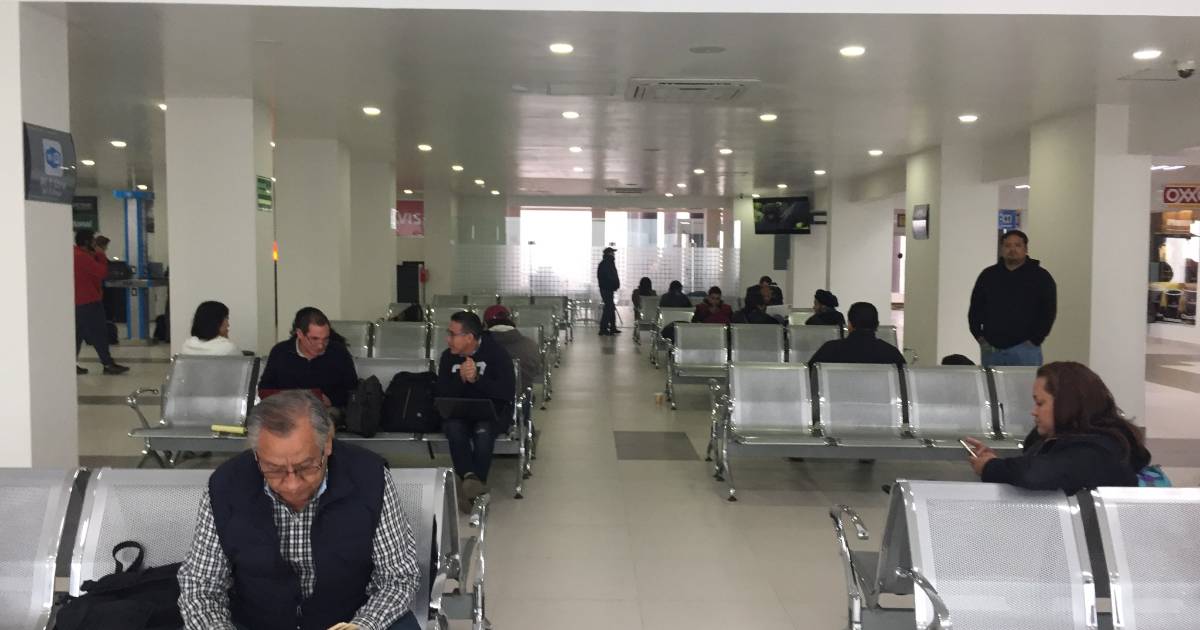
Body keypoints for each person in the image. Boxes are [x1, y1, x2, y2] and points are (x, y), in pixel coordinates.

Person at [177, 390, 422, 630]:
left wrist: (363, 625)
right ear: (257, 455)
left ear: (327, 444)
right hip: (254, 622)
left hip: (349, 617)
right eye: (274, 469)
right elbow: (201, 587)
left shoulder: (370, 477)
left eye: (306, 467)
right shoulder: (226, 486)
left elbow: (399, 576)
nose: (292, 485)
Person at [965, 361, 1151, 495]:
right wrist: (995, 461)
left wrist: (991, 467)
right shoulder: (1061, 439)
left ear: (1066, 405)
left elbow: (1035, 473)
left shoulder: (1098, 451)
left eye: (1040, 403)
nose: (1034, 412)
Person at [437, 311, 516, 512]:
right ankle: (473, 484)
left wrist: (477, 380)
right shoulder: (447, 357)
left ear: (469, 337)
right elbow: (441, 393)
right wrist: (461, 379)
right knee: (454, 428)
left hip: (492, 413)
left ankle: (471, 486)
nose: (448, 339)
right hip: (459, 413)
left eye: (452, 334)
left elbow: (506, 393)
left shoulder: (497, 354)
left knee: (483, 431)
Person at [968, 230, 1057, 367]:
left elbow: (1048, 311)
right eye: (1007, 245)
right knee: (991, 382)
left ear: (1025, 249)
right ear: (1002, 249)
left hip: (1026, 349)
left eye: (1017, 245)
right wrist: (980, 337)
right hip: (991, 348)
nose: (1012, 249)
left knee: (1025, 382)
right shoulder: (988, 275)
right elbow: (975, 308)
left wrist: (1036, 339)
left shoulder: (1041, 277)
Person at [258, 307, 358, 409]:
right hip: (286, 410)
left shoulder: (338, 352)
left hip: (326, 411)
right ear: (300, 334)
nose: (321, 345)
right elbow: (265, 389)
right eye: (314, 339)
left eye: (325, 339)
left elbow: (353, 391)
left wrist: (332, 400)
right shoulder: (281, 352)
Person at [73, 229, 128, 375]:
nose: (94, 244)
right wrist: (101, 254)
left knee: (77, 334)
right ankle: (108, 364)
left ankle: (70, 364)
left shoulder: (75, 254)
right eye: (92, 241)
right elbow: (102, 272)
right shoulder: (82, 257)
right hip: (89, 300)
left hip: (77, 302)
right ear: (86, 242)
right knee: (99, 333)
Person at [809, 302, 905, 366]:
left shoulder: (829, 350)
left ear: (850, 325)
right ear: (877, 325)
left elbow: (809, 377)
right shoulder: (891, 354)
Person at [483, 305, 543, 393]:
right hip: (521, 397)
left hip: (484, 398)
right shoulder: (530, 345)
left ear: (485, 324)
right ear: (511, 322)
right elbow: (537, 371)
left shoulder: (476, 347)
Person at [597, 246, 620, 335]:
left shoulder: (607, 262)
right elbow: (609, 277)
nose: (614, 254)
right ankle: (603, 329)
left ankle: (613, 327)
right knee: (608, 308)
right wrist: (614, 284)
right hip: (606, 289)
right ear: (609, 253)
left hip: (607, 288)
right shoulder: (607, 263)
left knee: (611, 307)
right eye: (612, 252)